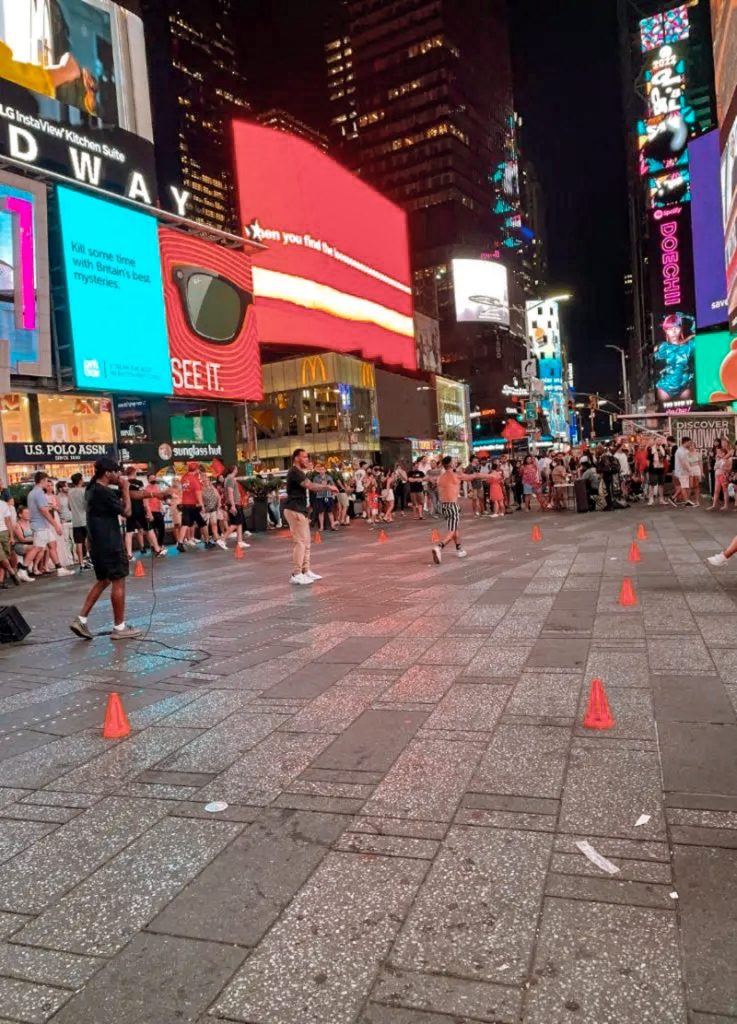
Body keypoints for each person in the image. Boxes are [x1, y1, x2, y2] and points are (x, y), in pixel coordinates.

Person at [70, 457, 141, 640]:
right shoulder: (104, 492)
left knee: (103, 580)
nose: (119, 475)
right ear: (107, 473)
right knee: (118, 580)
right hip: (109, 543)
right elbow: (127, 512)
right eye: (116, 471)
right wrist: (125, 489)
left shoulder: (92, 489)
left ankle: (81, 619)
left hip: (96, 543)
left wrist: (154, 495)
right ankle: (119, 627)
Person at [284, 448, 338, 585]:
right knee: (300, 542)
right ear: (296, 458)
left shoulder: (300, 472)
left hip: (300, 510)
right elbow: (310, 486)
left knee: (306, 542)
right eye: (304, 457)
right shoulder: (294, 472)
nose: (307, 459)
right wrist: (327, 488)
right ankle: (296, 574)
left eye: (307, 457)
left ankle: (305, 570)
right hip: (294, 509)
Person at [431, 456, 484, 562]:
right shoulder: (456, 475)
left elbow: (436, 486)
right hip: (452, 506)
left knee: (454, 528)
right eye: (454, 461)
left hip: (444, 506)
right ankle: (439, 547)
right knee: (451, 531)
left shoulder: (440, 477)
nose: (456, 463)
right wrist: (491, 476)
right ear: (450, 464)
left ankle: (459, 549)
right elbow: (475, 475)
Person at [25, 472, 74, 577]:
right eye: (47, 481)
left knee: (52, 544)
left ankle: (59, 568)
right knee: (37, 548)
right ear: (42, 480)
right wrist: (56, 525)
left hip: (41, 524)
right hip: (40, 525)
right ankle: (22, 569)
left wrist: (49, 509)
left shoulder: (32, 493)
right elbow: (44, 511)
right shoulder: (38, 493)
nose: (48, 483)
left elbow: (42, 509)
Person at [124, 466, 167, 559]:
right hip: (139, 509)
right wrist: (148, 511)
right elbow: (143, 496)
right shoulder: (139, 483)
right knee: (149, 529)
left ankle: (129, 554)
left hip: (130, 510)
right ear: (134, 472)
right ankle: (157, 550)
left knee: (129, 532)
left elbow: (123, 498)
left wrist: (124, 512)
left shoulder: (125, 484)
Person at [222, 465, 250, 549]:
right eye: (236, 469)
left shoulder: (228, 479)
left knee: (239, 523)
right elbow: (230, 492)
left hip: (235, 503)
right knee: (235, 523)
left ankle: (240, 541)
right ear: (234, 470)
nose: (237, 470)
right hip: (234, 504)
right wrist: (233, 505)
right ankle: (222, 539)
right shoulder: (230, 479)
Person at [179, 461, 206, 548]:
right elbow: (198, 494)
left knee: (185, 524)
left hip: (185, 504)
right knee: (202, 523)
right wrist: (202, 505)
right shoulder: (194, 480)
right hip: (193, 505)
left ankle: (180, 543)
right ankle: (207, 541)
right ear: (196, 469)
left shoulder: (183, 478)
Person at [69, 472, 90, 569]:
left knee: (78, 542)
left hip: (75, 520)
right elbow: (87, 505)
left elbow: (69, 506)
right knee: (89, 539)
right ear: (80, 480)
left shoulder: (70, 492)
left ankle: (81, 562)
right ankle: (89, 557)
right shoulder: (84, 491)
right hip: (85, 519)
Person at [144, 474, 171, 548]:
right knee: (152, 531)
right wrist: (149, 514)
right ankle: (154, 546)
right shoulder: (146, 489)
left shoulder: (157, 487)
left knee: (162, 529)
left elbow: (159, 498)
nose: (153, 479)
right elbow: (146, 503)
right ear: (148, 480)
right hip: (151, 511)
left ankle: (160, 544)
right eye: (151, 478)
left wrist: (162, 506)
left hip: (158, 511)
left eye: (154, 478)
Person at [313, 462, 338, 532]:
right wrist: (321, 485)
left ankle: (332, 526)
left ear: (325, 470)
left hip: (328, 496)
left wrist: (330, 489)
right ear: (318, 470)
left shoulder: (329, 477)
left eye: (323, 469)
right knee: (321, 512)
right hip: (320, 496)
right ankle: (321, 527)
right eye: (320, 469)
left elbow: (333, 486)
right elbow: (314, 487)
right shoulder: (316, 478)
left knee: (330, 512)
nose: (321, 471)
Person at [671, 437, 695, 507]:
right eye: (689, 442)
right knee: (684, 487)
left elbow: (687, 461)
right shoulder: (680, 451)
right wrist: (689, 470)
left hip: (684, 471)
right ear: (686, 442)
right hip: (682, 472)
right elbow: (683, 463)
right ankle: (686, 501)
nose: (690, 444)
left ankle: (673, 498)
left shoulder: (684, 450)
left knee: (685, 486)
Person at [709, 444, 732, 512]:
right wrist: (717, 466)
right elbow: (714, 467)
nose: (718, 454)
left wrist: (723, 468)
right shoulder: (718, 459)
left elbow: (729, 468)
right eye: (718, 453)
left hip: (723, 476)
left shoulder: (728, 459)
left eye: (720, 453)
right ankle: (714, 505)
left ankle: (726, 505)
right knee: (716, 491)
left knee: (725, 490)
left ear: (724, 453)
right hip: (717, 475)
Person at [647, 441, 667, 506]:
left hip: (661, 467)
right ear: (655, 441)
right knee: (652, 484)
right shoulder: (650, 449)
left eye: (660, 440)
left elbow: (665, 457)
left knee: (661, 484)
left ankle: (661, 499)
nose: (659, 441)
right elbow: (648, 459)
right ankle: (651, 499)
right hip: (653, 468)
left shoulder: (663, 449)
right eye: (658, 440)